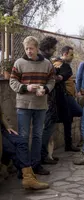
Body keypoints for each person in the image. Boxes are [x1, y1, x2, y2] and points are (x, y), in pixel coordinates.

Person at [9, 36, 55, 175]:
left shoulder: (47, 64)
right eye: (27, 48)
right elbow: (12, 82)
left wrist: (46, 89)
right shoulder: (19, 63)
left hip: (40, 105)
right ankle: (24, 168)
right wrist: (26, 88)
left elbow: (52, 80)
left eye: (31, 48)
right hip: (23, 105)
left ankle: (36, 165)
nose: (29, 51)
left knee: (37, 135)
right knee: (23, 137)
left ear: (37, 48)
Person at [0, 104, 49, 190]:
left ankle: (28, 178)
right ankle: (26, 176)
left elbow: (1, 113)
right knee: (12, 150)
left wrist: (7, 126)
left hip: (2, 129)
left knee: (22, 142)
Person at [53, 46, 82, 152]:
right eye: (71, 54)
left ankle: (68, 145)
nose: (73, 57)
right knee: (78, 111)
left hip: (69, 95)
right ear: (65, 54)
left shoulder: (65, 65)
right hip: (64, 96)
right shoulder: (58, 64)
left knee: (68, 120)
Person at [39, 36, 60, 165]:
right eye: (53, 48)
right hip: (47, 99)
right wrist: (56, 77)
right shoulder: (44, 60)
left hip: (48, 98)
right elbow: (48, 78)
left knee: (48, 128)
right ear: (47, 48)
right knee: (46, 128)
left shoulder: (44, 59)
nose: (54, 50)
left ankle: (46, 154)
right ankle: (43, 156)